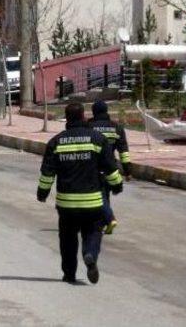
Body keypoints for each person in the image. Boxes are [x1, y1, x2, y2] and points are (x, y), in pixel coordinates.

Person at [37, 103, 123, 284]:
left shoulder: (56, 142)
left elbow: (47, 173)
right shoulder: (97, 139)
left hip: (67, 204)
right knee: (93, 232)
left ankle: (69, 274)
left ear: (67, 118)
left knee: (67, 240)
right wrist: (117, 186)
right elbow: (110, 168)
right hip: (92, 202)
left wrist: (42, 193)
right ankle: (90, 254)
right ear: (83, 116)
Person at [88, 100, 132, 234]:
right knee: (105, 194)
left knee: (99, 195)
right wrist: (128, 171)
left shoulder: (89, 127)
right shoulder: (117, 127)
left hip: (94, 167)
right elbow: (123, 152)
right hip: (111, 167)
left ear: (94, 112)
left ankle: (109, 219)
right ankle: (103, 223)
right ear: (107, 111)